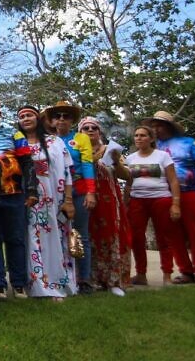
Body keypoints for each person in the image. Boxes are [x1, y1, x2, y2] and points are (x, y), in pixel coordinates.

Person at [0, 99, 38, 300]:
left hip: (13, 194)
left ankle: (19, 284)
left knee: (16, 239)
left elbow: (27, 162)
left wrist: (31, 190)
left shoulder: (13, 133)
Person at [17, 106, 77, 300]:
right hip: (29, 199)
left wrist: (68, 200)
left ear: (38, 119)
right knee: (33, 238)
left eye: (29, 115)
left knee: (57, 240)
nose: (26, 118)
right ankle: (38, 285)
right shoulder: (17, 142)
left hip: (55, 199)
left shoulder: (54, 142)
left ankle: (60, 283)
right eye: (22, 116)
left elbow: (68, 172)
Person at [42, 101, 97, 294]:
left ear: (72, 120)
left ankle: (84, 279)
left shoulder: (81, 138)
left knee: (80, 235)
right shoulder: (46, 140)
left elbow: (88, 164)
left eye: (66, 116)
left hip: (79, 191)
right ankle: (59, 276)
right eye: (57, 116)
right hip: (54, 193)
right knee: (56, 235)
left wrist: (91, 192)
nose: (61, 119)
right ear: (52, 120)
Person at [125, 125, 186, 285]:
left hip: (161, 199)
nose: (139, 138)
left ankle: (167, 275)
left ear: (151, 139)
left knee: (164, 237)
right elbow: (129, 183)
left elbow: (173, 180)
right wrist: (125, 202)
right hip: (137, 200)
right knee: (137, 238)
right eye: (136, 135)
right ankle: (141, 275)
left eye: (143, 135)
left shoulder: (163, 156)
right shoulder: (130, 159)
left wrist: (176, 204)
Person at [79, 116, 132, 295]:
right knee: (87, 237)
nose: (90, 130)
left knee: (110, 236)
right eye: (85, 128)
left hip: (108, 200)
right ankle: (89, 279)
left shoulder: (110, 150)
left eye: (94, 127)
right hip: (84, 198)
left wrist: (116, 161)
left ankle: (114, 281)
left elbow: (127, 176)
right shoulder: (75, 149)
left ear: (99, 131)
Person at [146, 111, 195, 283]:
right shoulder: (153, 149)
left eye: (160, 125)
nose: (156, 129)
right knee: (173, 233)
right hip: (165, 194)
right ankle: (186, 271)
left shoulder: (188, 143)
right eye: (153, 126)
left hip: (190, 192)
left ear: (169, 126)